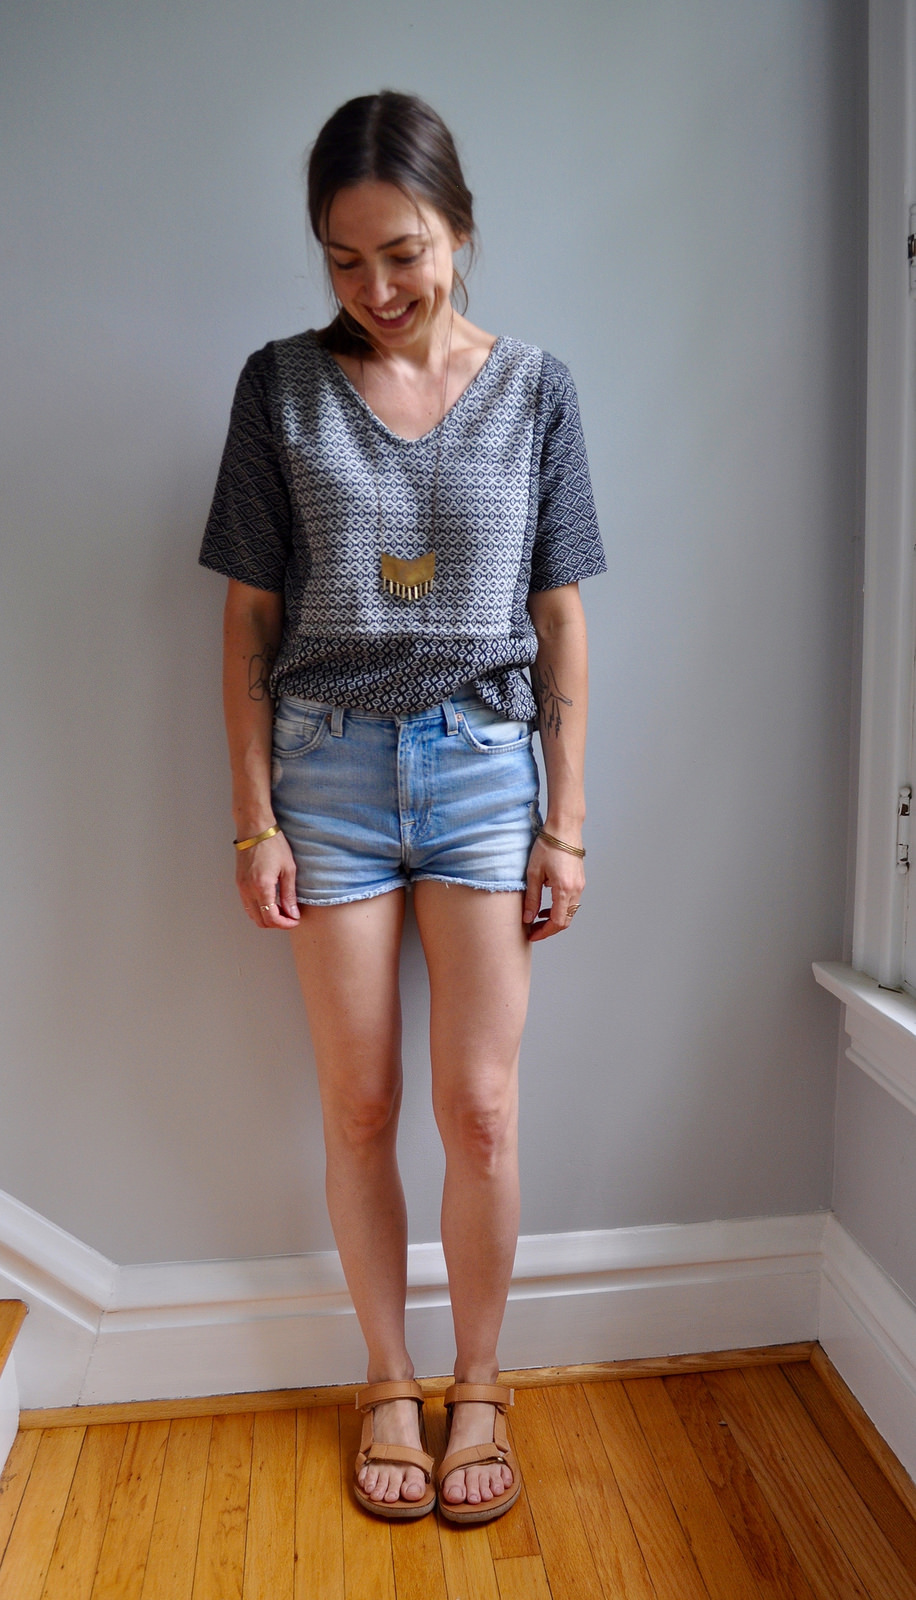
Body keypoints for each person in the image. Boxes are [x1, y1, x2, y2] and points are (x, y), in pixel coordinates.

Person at [200, 90, 604, 1524]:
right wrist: (253, 818)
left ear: (460, 233)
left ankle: (479, 1383)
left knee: (481, 1111)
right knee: (361, 1102)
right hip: (326, 774)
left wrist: (566, 821)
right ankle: (388, 1376)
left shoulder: (538, 390)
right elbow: (250, 623)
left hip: (489, 770)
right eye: (344, 259)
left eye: (404, 253)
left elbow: (559, 618)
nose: (376, 288)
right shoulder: (279, 387)